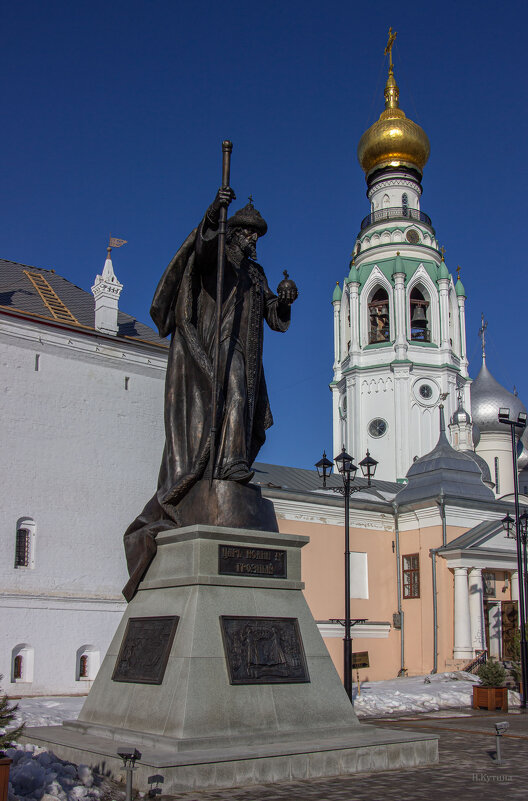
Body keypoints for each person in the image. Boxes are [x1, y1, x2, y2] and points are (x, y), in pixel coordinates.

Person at [122, 188, 297, 601]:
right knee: (232, 398)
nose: (253, 242)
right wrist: (213, 214)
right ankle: (229, 466)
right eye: (247, 234)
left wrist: (286, 301)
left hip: (250, 355)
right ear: (233, 232)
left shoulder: (255, 274)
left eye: (257, 237)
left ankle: (230, 463)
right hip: (216, 349)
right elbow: (199, 250)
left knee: (245, 408)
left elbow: (274, 316)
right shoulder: (216, 260)